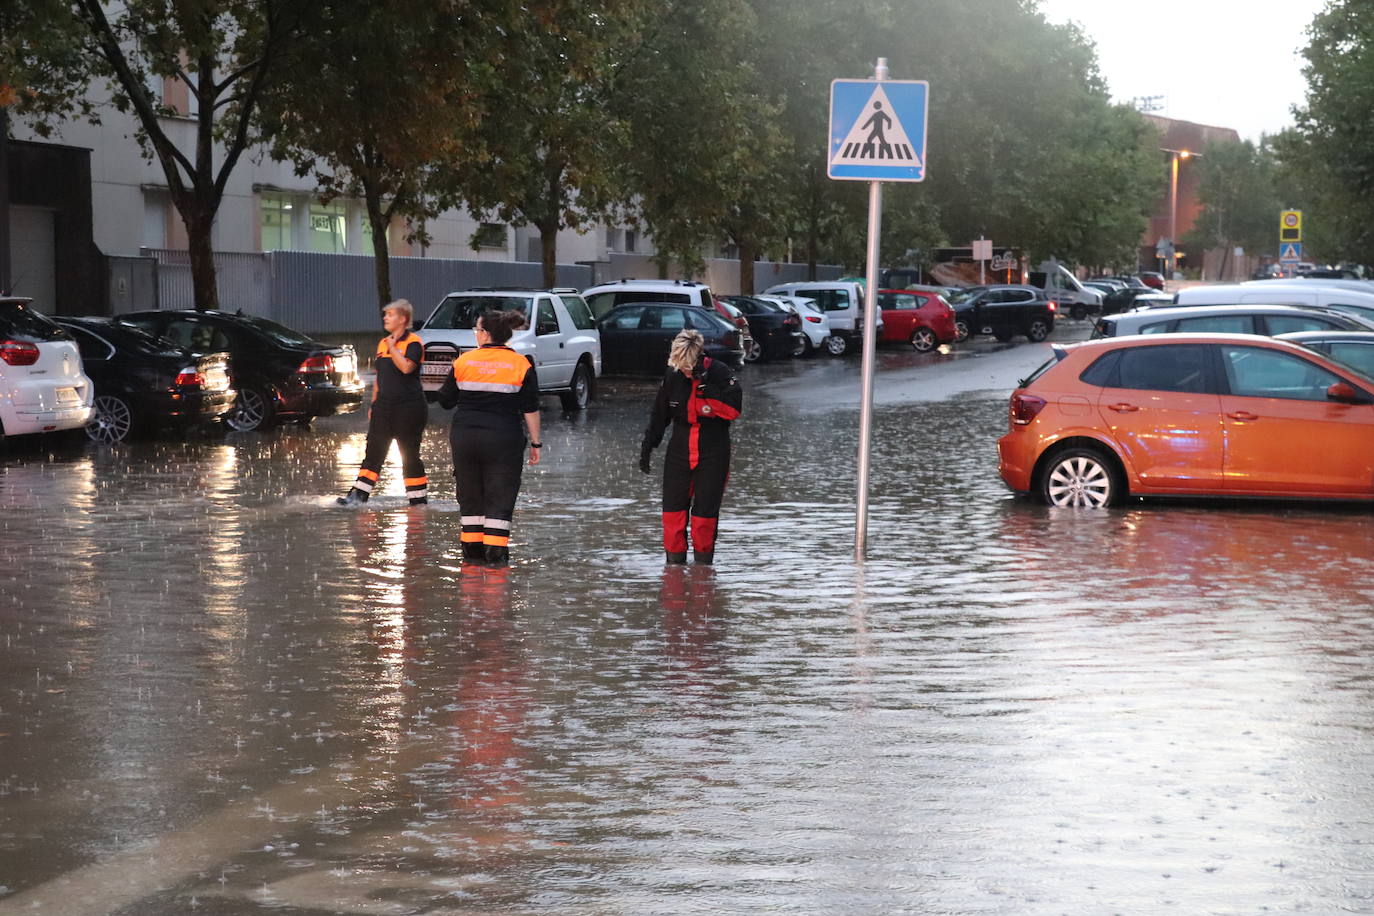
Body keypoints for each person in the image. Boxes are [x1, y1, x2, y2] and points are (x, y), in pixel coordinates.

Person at [436, 309, 541, 565]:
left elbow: (445, 401)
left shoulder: (463, 362)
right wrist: (536, 443)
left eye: (477, 329)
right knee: (500, 495)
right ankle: (495, 560)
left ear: (485, 334)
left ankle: (471, 558)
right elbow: (530, 408)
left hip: (465, 439)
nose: (476, 334)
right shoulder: (521, 363)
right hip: (503, 439)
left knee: (470, 496)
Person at [640, 329, 742, 565]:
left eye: (687, 366)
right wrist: (648, 446)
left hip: (713, 450)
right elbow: (660, 415)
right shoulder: (673, 376)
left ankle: (703, 575)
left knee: (703, 517)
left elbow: (733, 411)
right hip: (680, 450)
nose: (684, 371)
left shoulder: (720, 372)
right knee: (672, 515)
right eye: (679, 366)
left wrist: (707, 388)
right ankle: (674, 574)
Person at [338, 299, 429, 506]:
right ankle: (358, 497)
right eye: (385, 314)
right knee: (373, 452)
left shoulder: (414, 342)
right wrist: (374, 403)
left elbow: (406, 368)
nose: (385, 318)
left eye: (390, 314)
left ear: (403, 319)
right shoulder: (382, 343)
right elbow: (380, 376)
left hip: (409, 408)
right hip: (384, 407)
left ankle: (418, 501)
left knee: (409, 455)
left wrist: (393, 347)